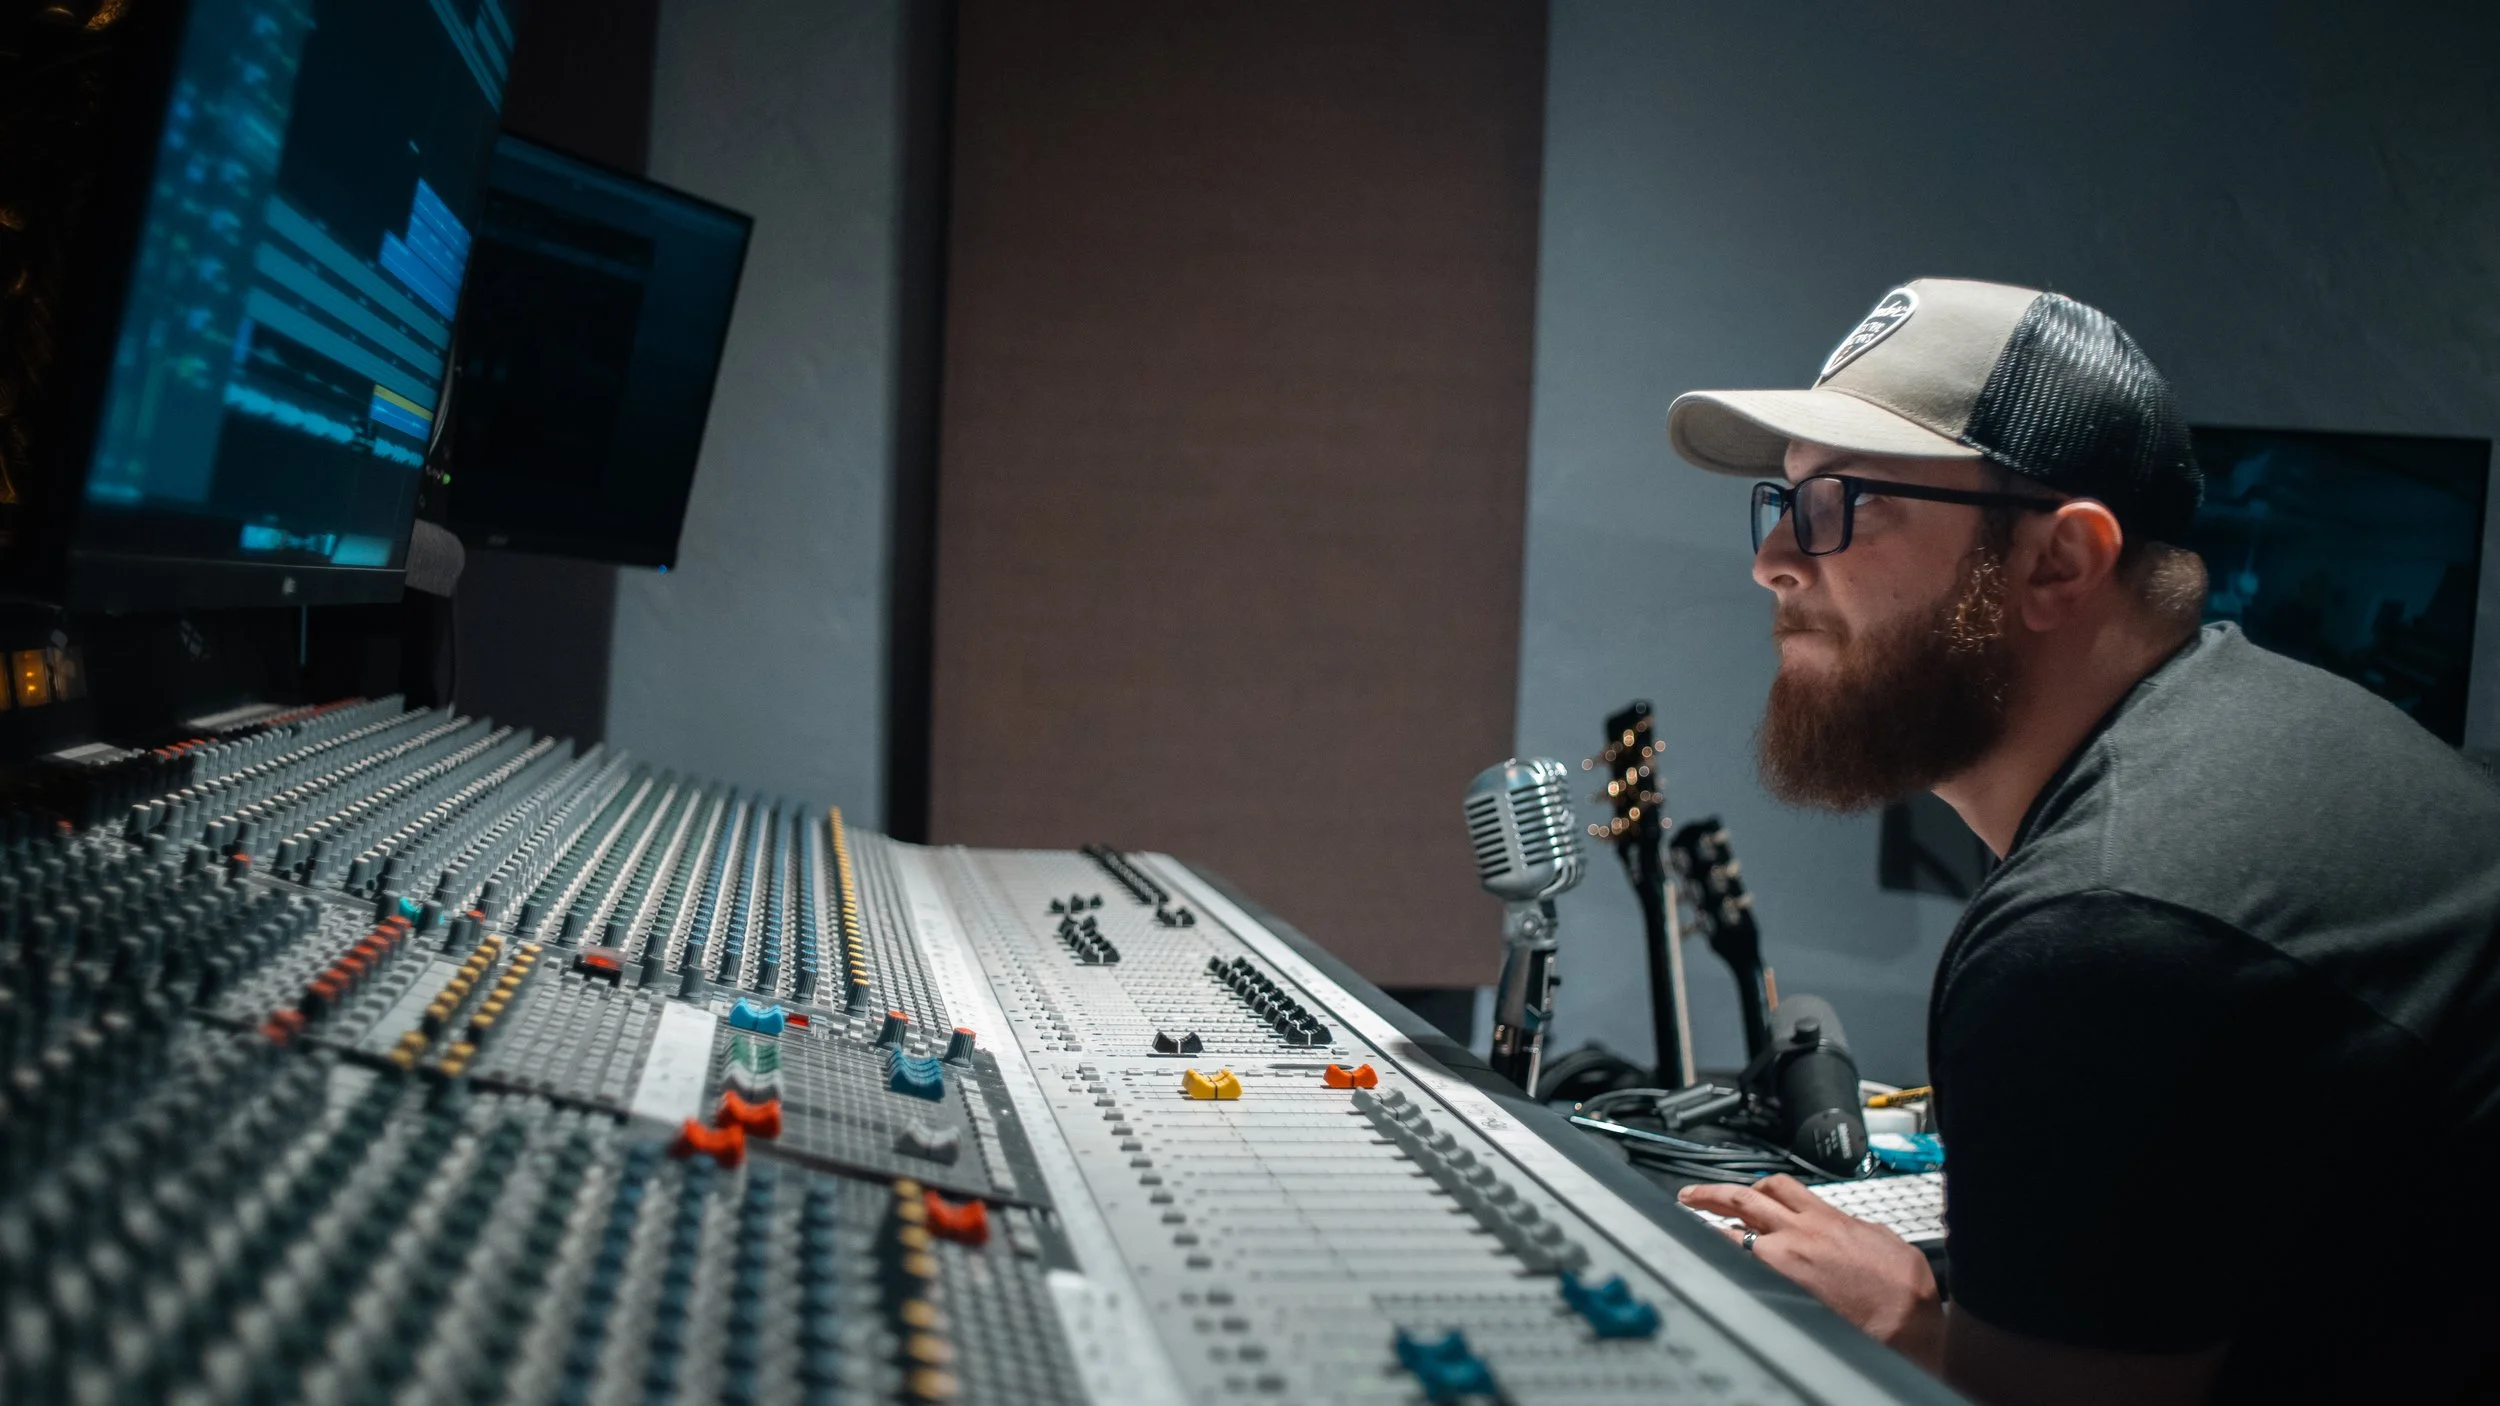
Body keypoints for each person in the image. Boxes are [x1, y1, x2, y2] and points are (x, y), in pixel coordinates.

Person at [1664, 279, 2500, 1406]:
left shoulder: (2108, 925)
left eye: (1843, 502)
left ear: (2056, 563)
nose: (1772, 558)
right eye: (1783, 500)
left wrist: (1907, 1328)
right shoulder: (2261, 725)